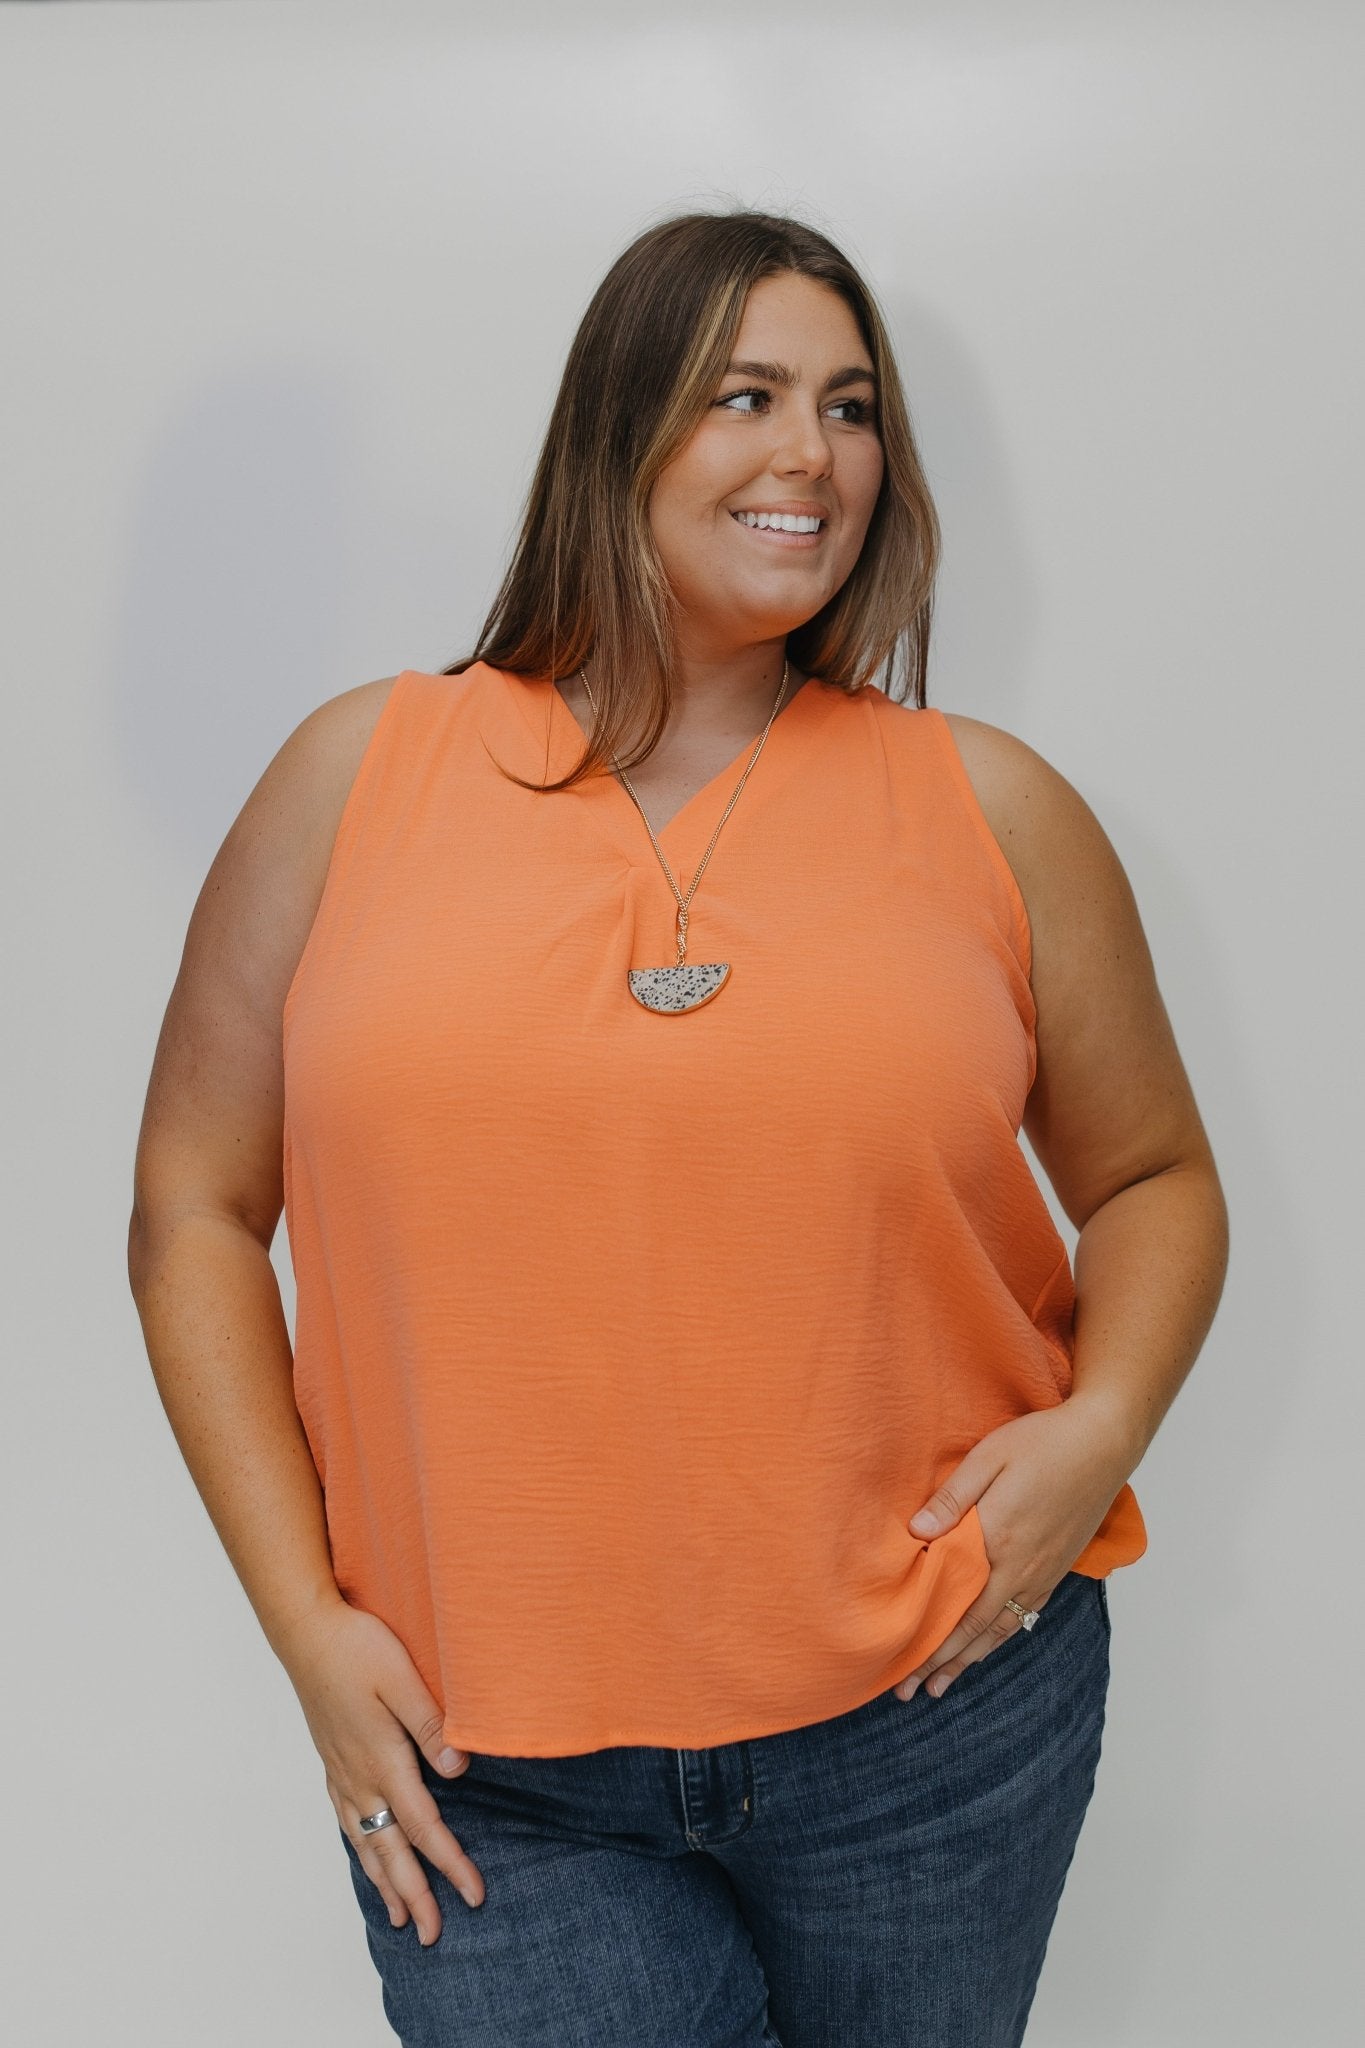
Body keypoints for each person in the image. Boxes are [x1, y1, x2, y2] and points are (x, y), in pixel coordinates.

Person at [127, 208, 1229, 2047]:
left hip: (932, 1718)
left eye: (850, 407)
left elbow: (1151, 1179)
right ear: (614, 429)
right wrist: (305, 1629)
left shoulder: (992, 807)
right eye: (746, 395)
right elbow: (192, 1207)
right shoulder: (356, 776)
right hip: (486, 1763)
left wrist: (1100, 1426)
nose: (813, 454)